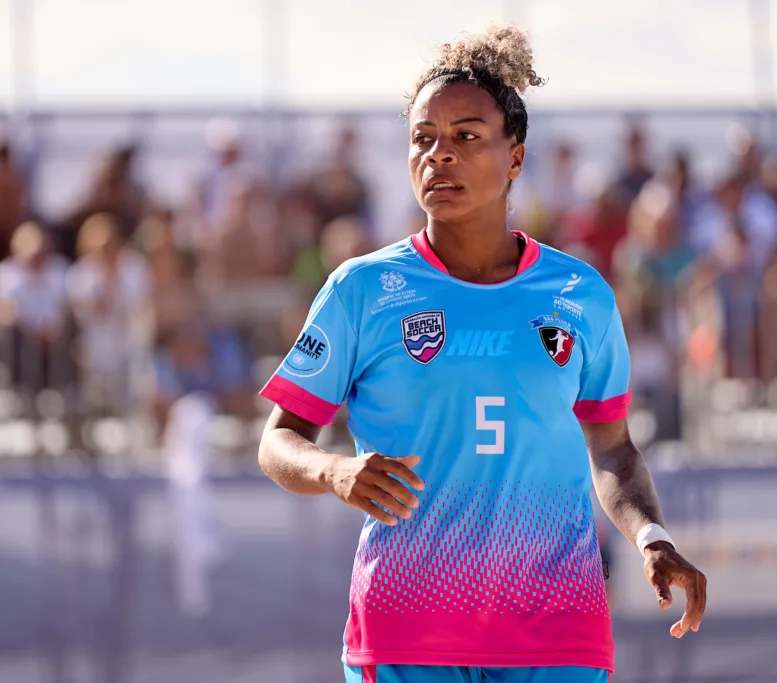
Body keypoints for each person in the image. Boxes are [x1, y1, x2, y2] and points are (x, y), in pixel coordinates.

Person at [257, 25, 706, 683]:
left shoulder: (579, 295)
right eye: (423, 138)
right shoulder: (362, 290)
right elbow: (279, 441)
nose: (439, 154)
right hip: (407, 635)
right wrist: (335, 472)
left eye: (466, 136)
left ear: (515, 158)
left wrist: (653, 537)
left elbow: (611, 449)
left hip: (557, 633)